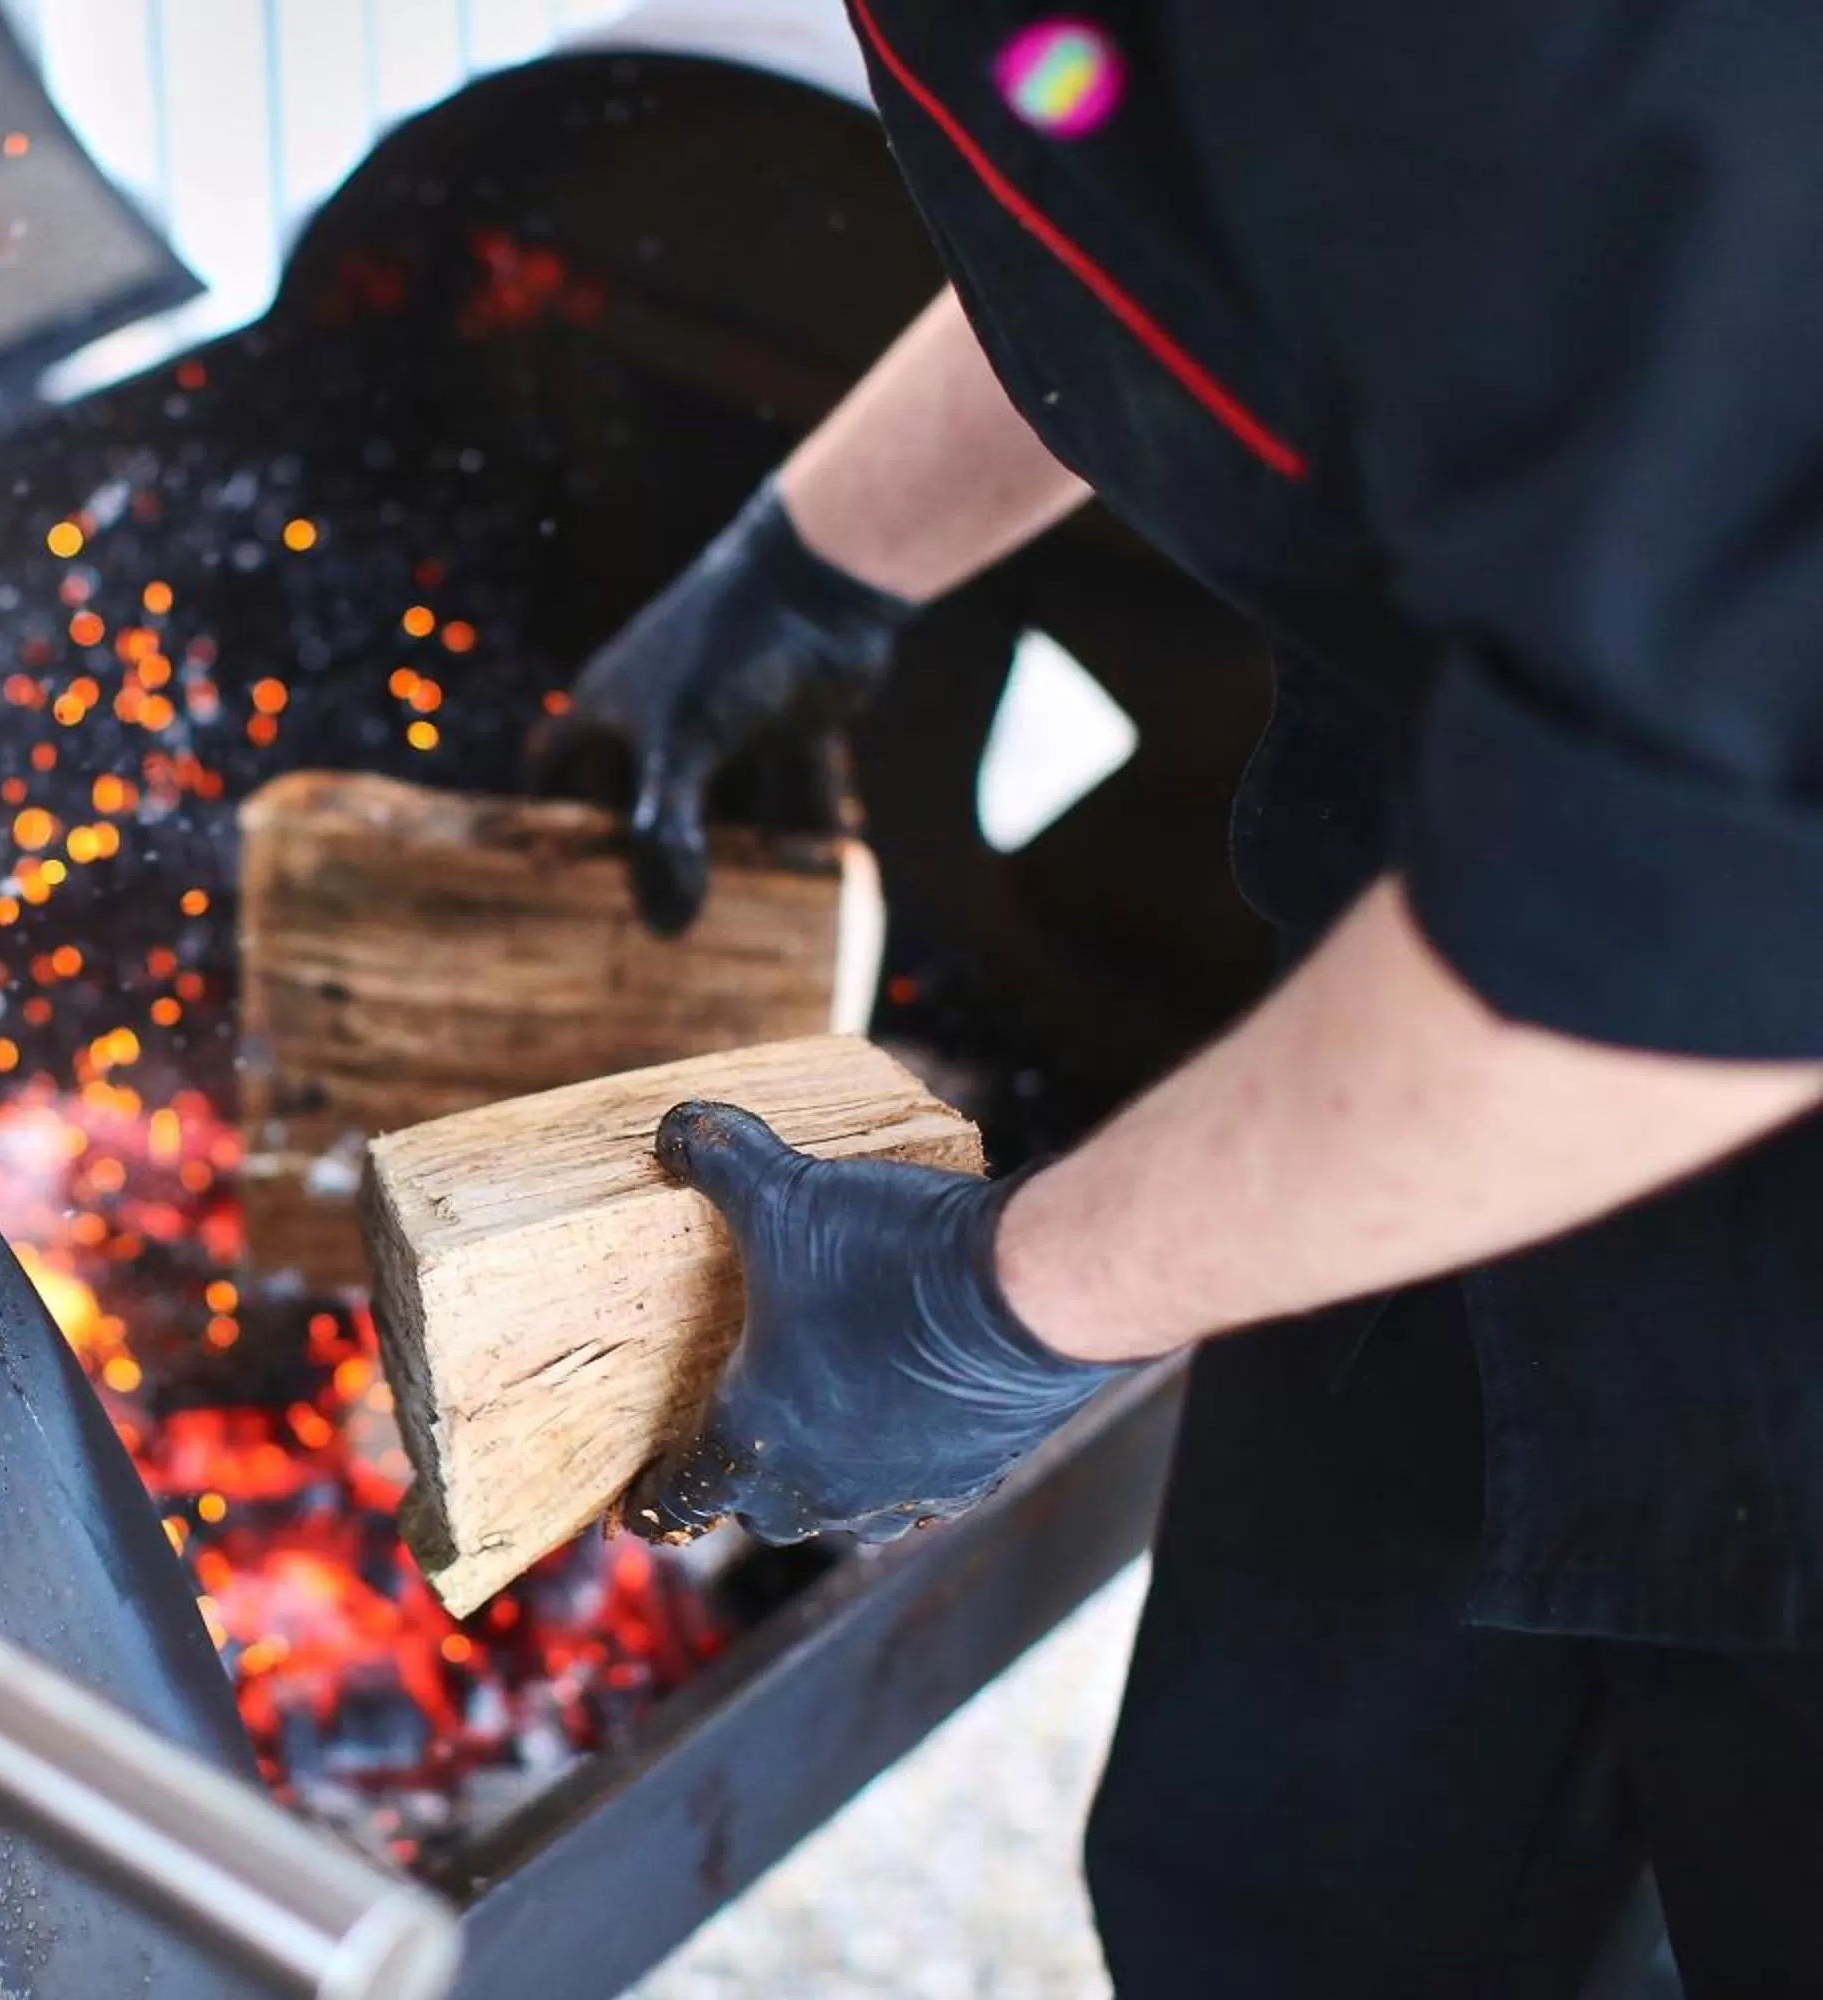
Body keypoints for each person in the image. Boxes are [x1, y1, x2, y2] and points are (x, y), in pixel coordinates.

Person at [536, 5, 1823, 1992]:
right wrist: (814, 559)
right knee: (1282, 1899)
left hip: (1683, 989)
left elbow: (1707, 904)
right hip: (1439, 989)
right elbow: (1137, 130)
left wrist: (988, 1308)